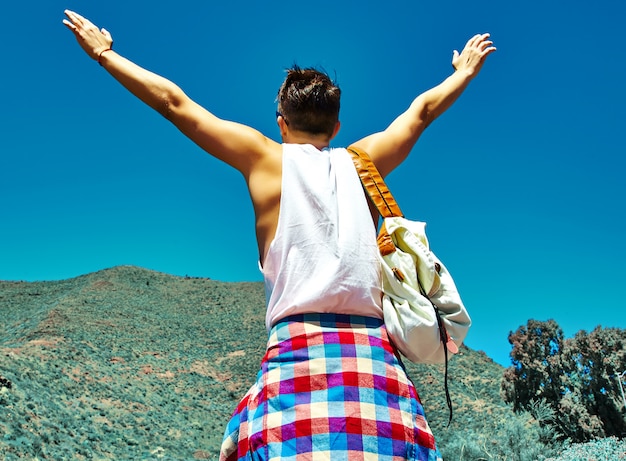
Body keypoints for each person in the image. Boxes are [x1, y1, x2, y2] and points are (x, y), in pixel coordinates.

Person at [63, 9, 495, 461]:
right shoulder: (363, 160)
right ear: (337, 128)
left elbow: (175, 105)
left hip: (294, 362)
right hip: (374, 369)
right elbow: (421, 111)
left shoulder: (264, 159)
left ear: (281, 121)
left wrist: (104, 55)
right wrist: (463, 73)